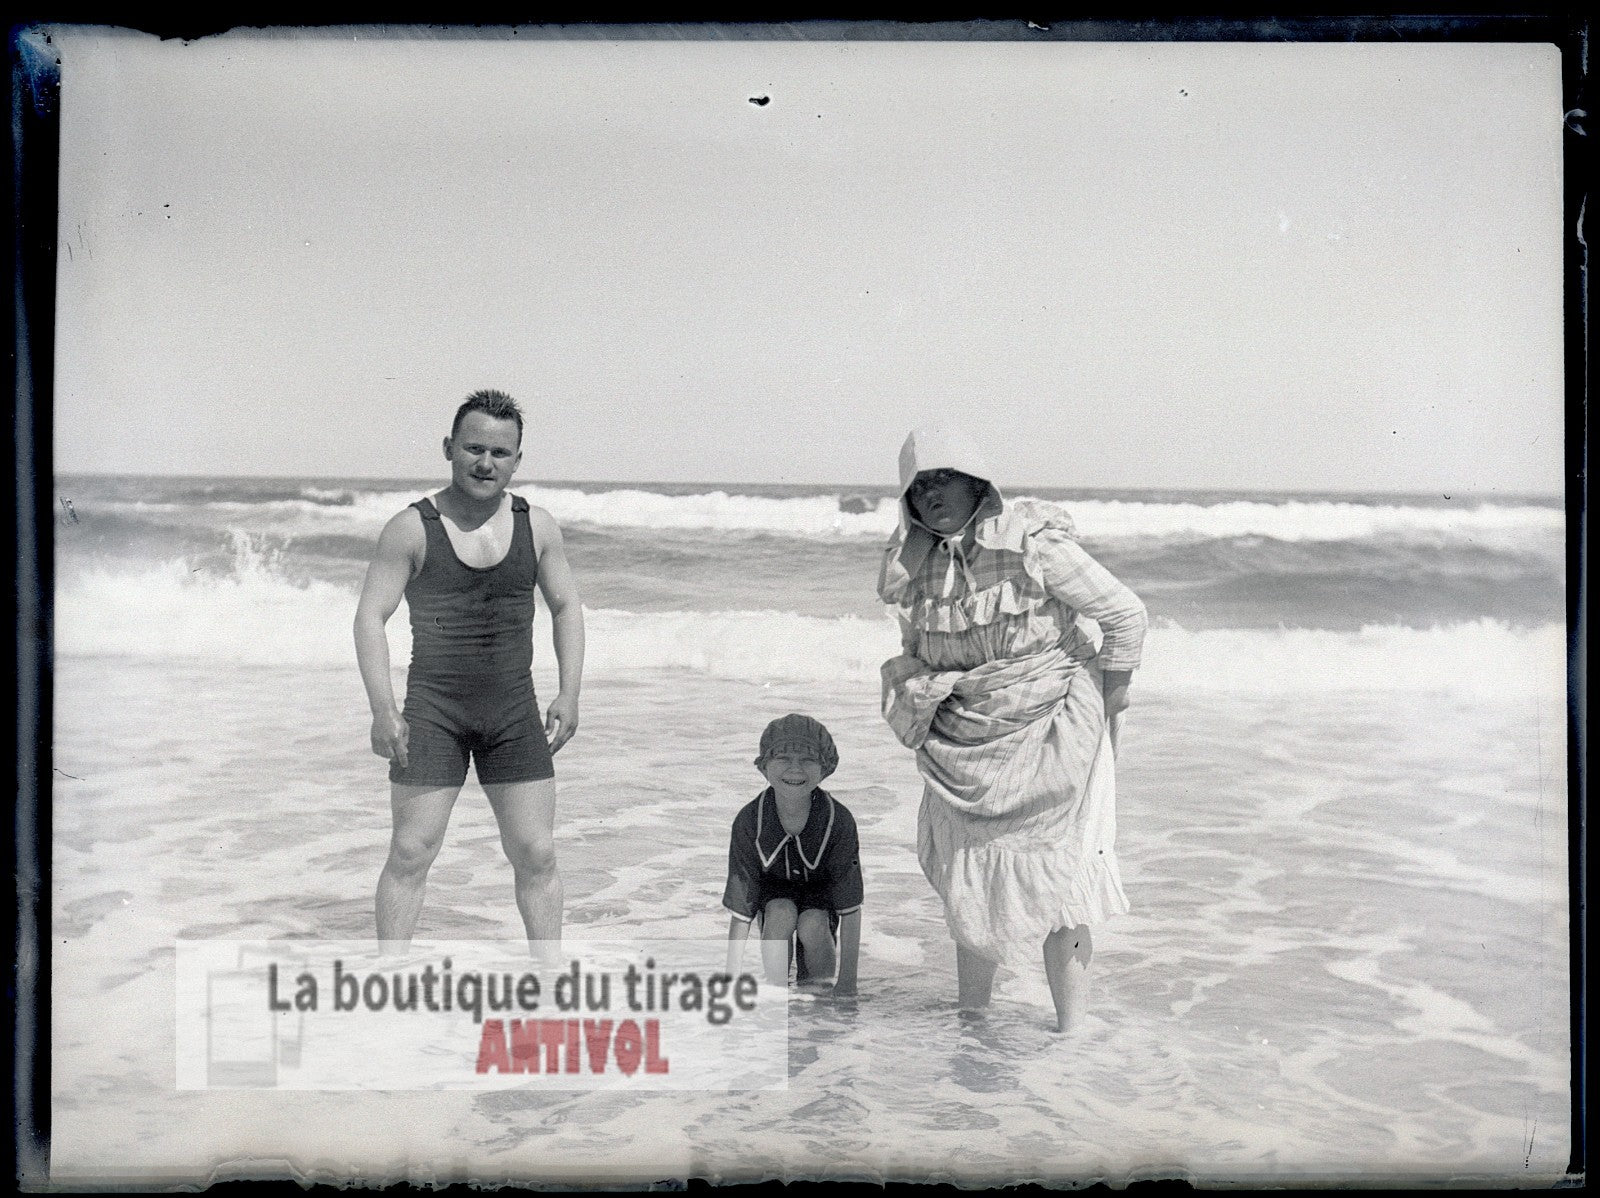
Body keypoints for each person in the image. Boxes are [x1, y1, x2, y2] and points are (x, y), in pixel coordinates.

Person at [877, 426, 1146, 1033]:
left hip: (1057, 728)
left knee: (1066, 883)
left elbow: (1125, 614)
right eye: (919, 486)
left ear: (977, 485)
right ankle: (972, 1027)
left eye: (944, 478)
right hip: (964, 743)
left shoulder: (1033, 543)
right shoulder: (912, 566)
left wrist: (1112, 702)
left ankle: (1071, 1034)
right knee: (969, 878)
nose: (931, 494)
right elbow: (919, 649)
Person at [354, 389, 585, 948]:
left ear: (518, 460)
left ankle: (548, 981)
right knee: (410, 851)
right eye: (474, 448)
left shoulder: (539, 526)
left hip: (513, 711)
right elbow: (369, 617)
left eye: (500, 453)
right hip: (434, 712)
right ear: (449, 448)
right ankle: (392, 981)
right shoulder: (412, 527)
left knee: (537, 851)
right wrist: (383, 709)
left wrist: (569, 693)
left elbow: (566, 607)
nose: (486, 463)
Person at [722, 714, 863, 997]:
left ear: (825, 768)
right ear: (763, 767)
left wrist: (848, 983)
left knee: (812, 923)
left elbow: (850, 908)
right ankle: (778, 994)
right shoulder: (750, 820)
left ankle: (819, 995)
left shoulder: (839, 820)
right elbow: (742, 909)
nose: (795, 769)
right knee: (780, 912)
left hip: (821, 904)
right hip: (773, 902)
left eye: (808, 759)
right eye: (783, 758)